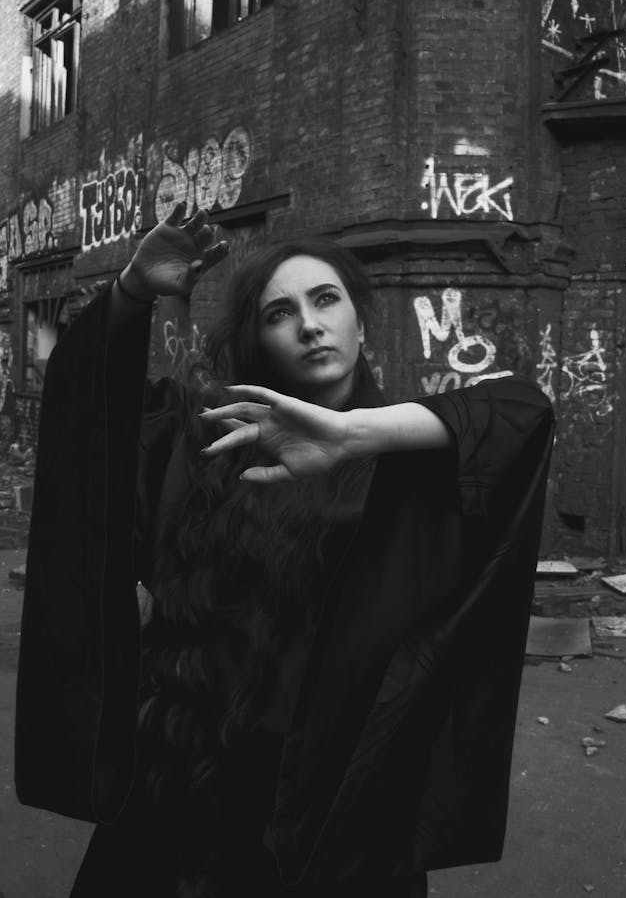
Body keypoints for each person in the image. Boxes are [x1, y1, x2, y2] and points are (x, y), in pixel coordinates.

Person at [15, 203, 554, 898]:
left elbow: (522, 414)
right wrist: (131, 292)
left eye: (326, 299)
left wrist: (355, 435)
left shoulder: (409, 461)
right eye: (279, 313)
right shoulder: (207, 442)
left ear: (360, 320)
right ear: (259, 341)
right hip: (189, 778)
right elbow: (92, 415)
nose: (308, 323)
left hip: (337, 805)